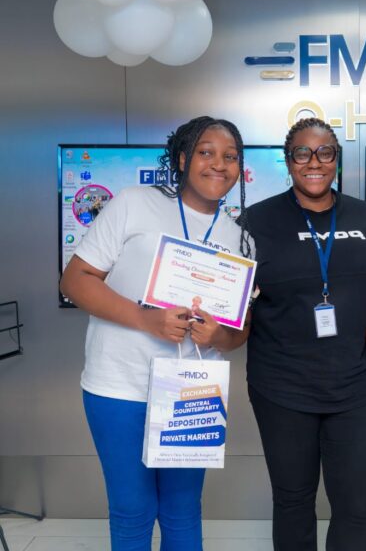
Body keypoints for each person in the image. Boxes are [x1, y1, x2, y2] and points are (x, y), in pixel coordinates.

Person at [60, 116, 252, 551]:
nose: (218, 164)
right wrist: (147, 320)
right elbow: (75, 280)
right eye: (206, 152)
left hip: (193, 392)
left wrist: (216, 336)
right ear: (183, 158)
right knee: (132, 510)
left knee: (183, 512)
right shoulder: (134, 203)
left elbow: (238, 333)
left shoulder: (240, 239)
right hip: (119, 386)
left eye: (230, 156)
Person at [245, 117, 366, 551]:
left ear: (337, 161)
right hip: (282, 387)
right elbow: (236, 299)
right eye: (302, 153)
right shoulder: (257, 221)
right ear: (288, 161)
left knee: (355, 505)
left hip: (355, 386)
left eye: (325, 152)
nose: (315, 162)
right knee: (292, 500)